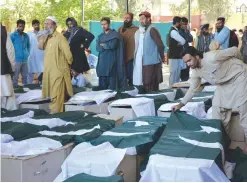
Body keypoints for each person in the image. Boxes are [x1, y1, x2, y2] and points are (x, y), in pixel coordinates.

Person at [172, 41, 247, 153]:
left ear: (197, 56)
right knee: (216, 108)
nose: (188, 64)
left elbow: (235, 50)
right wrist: (181, 104)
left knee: (243, 109)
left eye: (189, 60)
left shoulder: (212, 57)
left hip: (239, 76)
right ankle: (221, 141)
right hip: (223, 84)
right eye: (186, 62)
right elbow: (192, 89)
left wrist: (240, 62)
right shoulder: (195, 71)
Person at [38, 16, 73, 113]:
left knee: (57, 95)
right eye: (45, 24)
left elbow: (68, 55)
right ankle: (55, 113)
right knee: (52, 95)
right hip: (49, 72)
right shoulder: (48, 37)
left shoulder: (60, 38)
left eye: (48, 24)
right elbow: (40, 47)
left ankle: (56, 115)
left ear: (54, 25)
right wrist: (43, 35)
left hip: (58, 72)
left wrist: (69, 65)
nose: (46, 26)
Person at [133, 11, 164, 92]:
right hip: (145, 63)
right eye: (140, 19)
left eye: (143, 19)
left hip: (152, 63)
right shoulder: (143, 30)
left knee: (151, 85)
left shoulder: (152, 29)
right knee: (146, 84)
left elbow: (160, 45)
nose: (141, 21)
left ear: (148, 18)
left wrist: (161, 58)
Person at [96, 17, 125, 90]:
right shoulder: (100, 36)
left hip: (111, 62)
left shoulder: (115, 35)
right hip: (102, 63)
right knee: (103, 87)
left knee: (112, 87)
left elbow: (112, 45)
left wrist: (103, 44)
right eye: (102, 24)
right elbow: (98, 48)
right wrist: (106, 45)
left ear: (109, 24)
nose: (103, 26)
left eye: (105, 24)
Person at [118, 12, 138, 86]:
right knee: (123, 75)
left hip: (131, 56)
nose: (126, 19)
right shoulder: (120, 29)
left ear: (132, 19)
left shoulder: (136, 30)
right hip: (121, 55)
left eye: (128, 18)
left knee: (131, 75)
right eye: (125, 18)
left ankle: (132, 90)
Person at [1, 24, 17, 110]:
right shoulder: (4, 33)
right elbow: (10, 51)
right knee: (7, 94)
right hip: (3, 69)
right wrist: (12, 68)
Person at [10, 19, 30, 87]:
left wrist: (27, 53)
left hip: (25, 59)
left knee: (25, 76)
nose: (22, 28)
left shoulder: (26, 35)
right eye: (20, 26)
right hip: (16, 59)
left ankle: (25, 89)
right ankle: (15, 90)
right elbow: (10, 47)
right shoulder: (12, 36)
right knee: (15, 76)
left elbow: (28, 45)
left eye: (23, 26)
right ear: (17, 26)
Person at [168, 16, 186, 87]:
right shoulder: (173, 31)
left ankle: (176, 91)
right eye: (180, 23)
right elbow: (183, 41)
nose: (181, 25)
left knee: (177, 75)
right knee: (173, 75)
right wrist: (180, 43)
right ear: (177, 23)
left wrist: (180, 43)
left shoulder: (176, 31)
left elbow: (182, 41)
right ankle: (171, 90)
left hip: (177, 56)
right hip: (174, 57)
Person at [27, 19, 44, 84]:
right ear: (32, 25)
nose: (36, 26)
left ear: (39, 24)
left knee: (41, 70)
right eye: (35, 25)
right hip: (31, 55)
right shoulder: (29, 34)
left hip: (41, 55)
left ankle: (41, 84)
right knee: (30, 70)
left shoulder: (43, 33)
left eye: (37, 24)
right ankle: (28, 84)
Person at [179, 17, 193, 81]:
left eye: (185, 24)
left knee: (186, 72)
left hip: (186, 54)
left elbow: (190, 39)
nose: (183, 25)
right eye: (182, 24)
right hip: (179, 55)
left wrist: (186, 32)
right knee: (179, 74)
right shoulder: (177, 31)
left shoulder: (186, 31)